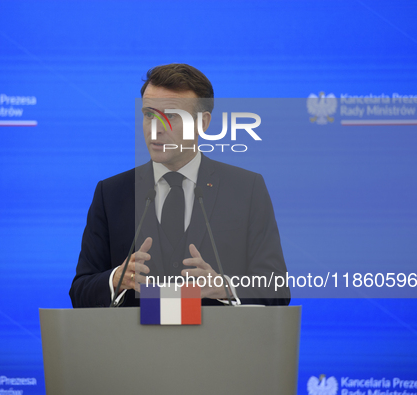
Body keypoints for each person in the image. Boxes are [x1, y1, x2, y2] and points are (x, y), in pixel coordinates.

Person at [70, 63, 290, 307]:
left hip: (219, 343)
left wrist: (225, 287)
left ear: (203, 123)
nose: (155, 128)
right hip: (134, 344)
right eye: (148, 114)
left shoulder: (246, 189)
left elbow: (277, 289)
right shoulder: (111, 194)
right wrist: (116, 280)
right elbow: (80, 292)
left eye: (171, 116)